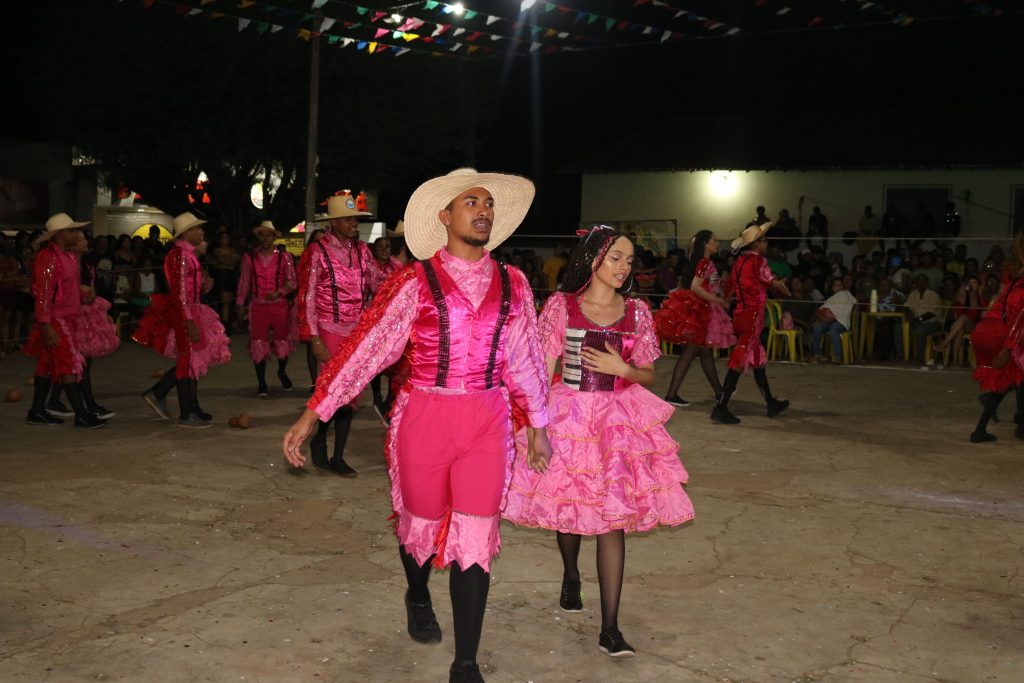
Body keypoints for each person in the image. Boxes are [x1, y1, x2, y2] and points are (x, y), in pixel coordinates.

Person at [283, 168, 552, 683]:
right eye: (471, 202)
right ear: (445, 216)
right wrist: (314, 412)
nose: (483, 210)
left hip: (487, 419)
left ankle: (466, 662)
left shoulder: (514, 282)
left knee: (476, 540)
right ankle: (417, 592)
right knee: (420, 529)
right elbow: (367, 349)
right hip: (425, 416)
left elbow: (526, 359)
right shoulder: (413, 281)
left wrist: (540, 424)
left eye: (488, 203)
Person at [503, 225, 694, 658]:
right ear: (592, 259)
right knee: (568, 506)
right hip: (567, 415)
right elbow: (541, 369)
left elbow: (648, 374)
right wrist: (536, 430)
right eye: (615, 258)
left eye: (629, 260)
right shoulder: (562, 306)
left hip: (616, 422)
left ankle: (610, 628)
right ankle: (571, 574)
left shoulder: (637, 312)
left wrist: (622, 369)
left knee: (612, 520)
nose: (624, 267)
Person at [299, 195, 387, 477]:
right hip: (329, 329)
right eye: (349, 220)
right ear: (334, 222)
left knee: (351, 394)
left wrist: (407, 280)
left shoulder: (362, 251)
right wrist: (314, 338)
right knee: (332, 392)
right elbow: (308, 296)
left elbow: (379, 282)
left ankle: (337, 456)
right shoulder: (318, 251)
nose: (354, 224)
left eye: (356, 220)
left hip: (355, 332)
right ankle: (319, 441)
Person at [134, 212, 231, 427]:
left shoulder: (187, 255)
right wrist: (188, 321)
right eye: (197, 228)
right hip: (184, 313)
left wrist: (203, 286)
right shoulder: (180, 255)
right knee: (187, 359)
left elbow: (187, 289)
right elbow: (179, 292)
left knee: (192, 358)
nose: (202, 232)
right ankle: (185, 410)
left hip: (190, 310)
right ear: (187, 232)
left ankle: (190, 406)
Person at [22, 213, 105, 428]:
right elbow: (42, 294)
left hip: (66, 317)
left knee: (47, 365)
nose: (76, 234)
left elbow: (65, 287)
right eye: (71, 230)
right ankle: (81, 414)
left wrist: (83, 293)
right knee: (69, 365)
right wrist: (46, 325)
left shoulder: (67, 256)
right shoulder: (48, 257)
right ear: (58, 234)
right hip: (56, 319)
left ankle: (37, 411)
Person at [711, 222, 791, 424]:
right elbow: (769, 280)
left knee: (757, 359)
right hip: (753, 316)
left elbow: (729, 287)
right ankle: (721, 407)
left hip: (741, 314)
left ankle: (771, 402)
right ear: (756, 244)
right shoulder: (758, 261)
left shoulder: (740, 261)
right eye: (764, 240)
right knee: (739, 360)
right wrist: (780, 286)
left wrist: (724, 301)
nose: (766, 243)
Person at [655, 230, 735, 406]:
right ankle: (672, 395)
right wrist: (718, 300)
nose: (717, 243)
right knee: (691, 352)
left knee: (704, 352)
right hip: (700, 312)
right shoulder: (705, 262)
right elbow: (695, 286)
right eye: (714, 240)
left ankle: (719, 392)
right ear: (705, 244)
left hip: (701, 310)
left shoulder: (701, 261)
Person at [47, 229, 119, 420]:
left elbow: (90, 288)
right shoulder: (63, 261)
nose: (84, 241)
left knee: (78, 361)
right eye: (79, 238)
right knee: (79, 361)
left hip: (85, 312)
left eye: (84, 238)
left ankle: (56, 401)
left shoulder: (86, 262)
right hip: (72, 315)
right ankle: (88, 405)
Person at [967, 232, 1024, 443]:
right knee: (1013, 378)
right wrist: (1007, 349)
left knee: (1014, 378)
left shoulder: (1012, 282)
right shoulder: (1019, 288)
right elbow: (1017, 323)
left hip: (990, 329)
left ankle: (983, 430)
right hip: (1002, 335)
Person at [237, 221, 296, 396]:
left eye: (268, 235)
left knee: (282, 342)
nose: (265, 239)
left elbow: (292, 281)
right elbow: (244, 282)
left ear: (274, 237)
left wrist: (279, 292)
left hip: (279, 306)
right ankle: (262, 383)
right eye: (262, 235)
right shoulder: (249, 258)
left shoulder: (285, 257)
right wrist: (240, 304)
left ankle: (281, 371)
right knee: (258, 344)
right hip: (258, 306)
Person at [294, 227, 326, 393]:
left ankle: (326, 381)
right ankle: (314, 382)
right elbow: (300, 281)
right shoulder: (306, 257)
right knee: (311, 346)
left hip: (327, 306)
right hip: (310, 305)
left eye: (323, 240)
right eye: (316, 240)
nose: (319, 244)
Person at [934, 274, 987, 367]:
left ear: (979, 285)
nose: (971, 285)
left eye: (974, 283)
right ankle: (955, 362)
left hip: (975, 325)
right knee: (960, 330)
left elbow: (983, 314)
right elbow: (957, 313)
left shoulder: (981, 298)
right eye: (970, 283)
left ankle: (944, 343)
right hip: (963, 324)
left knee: (963, 318)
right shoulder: (964, 296)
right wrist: (961, 300)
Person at [810, 279, 856, 363]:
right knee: (817, 327)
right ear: (832, 287)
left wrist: (832, 312)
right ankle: (817, 354)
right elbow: (824, 308)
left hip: (841, 321)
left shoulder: (846, 294)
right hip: (829, 321)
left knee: (834, 329)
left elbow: (843, 310)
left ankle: (838, 356)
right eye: (835, 285)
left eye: (839, 285)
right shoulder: (831, 298)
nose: (837, 287)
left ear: (842, 287)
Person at [903, 276, 943, 366]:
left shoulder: (933, 295)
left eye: (923, 282)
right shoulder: (913, 294)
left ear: (927, 283)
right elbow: (906, 307)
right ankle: (902, 356)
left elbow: (932, 313)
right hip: (916, 322)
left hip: (933, 323)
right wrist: (909, 315)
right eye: (919, 282)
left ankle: (920, 358)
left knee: (920, 330)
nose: (921, 284)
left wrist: (918, 319)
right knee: (899, 327)